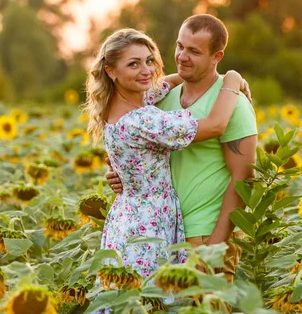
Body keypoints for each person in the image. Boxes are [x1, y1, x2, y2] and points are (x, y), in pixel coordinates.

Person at [83, 28, 248, 278]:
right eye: (133, 64)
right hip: (148, 228)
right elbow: (216, 124)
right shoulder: (143, 119)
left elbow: (169, 81)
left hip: (126, 219)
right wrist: (232, 79)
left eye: (149, 60)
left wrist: (209, 74)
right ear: (110, 71)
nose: (147, 71)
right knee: (148, 298)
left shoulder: (126, 103)